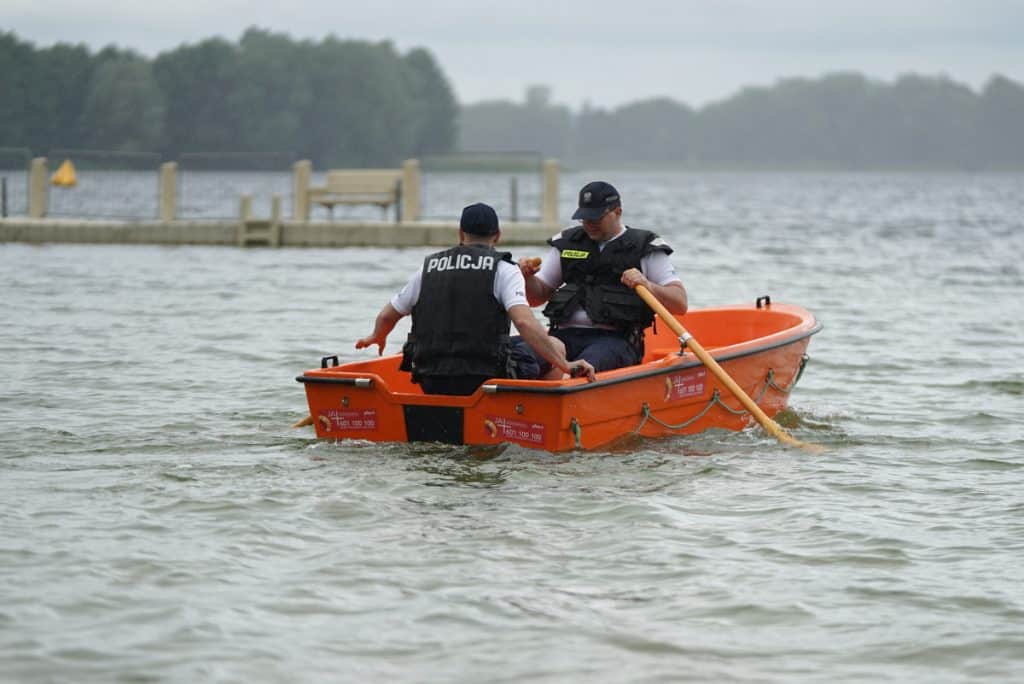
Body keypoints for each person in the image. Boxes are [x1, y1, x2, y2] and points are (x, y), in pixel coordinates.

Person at [356, 202, 596, 395]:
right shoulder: (505, 269)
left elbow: (388, 315)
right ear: (497, 236)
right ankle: (530, 415)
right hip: (484, 379)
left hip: (430, 378)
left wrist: (376, 337)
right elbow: (524, 323)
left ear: (461, 234)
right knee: (556, 346)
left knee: (521, 345)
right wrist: (566, 365)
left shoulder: (427, 268)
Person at [518, 181, 688, 374]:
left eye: (596, 218)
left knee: (586, 368)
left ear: (617, 212)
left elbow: (680, 304)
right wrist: (527, 278)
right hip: (562, 336)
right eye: (584, 218)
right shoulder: (567, 243)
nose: (589, 224)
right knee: (518, 358)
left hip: (614, 340)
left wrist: (647, 285)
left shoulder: (645, 247)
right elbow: (535, 298)